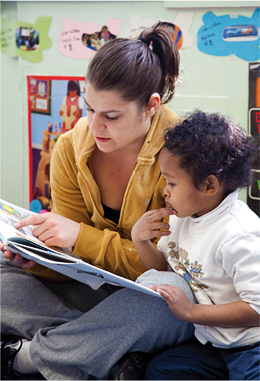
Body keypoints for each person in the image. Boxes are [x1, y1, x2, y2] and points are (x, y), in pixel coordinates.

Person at [0, 22, 195, 380]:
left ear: (151, 106)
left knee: (176, 300)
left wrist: (80, 235)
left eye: (111, 116)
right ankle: (97, 347)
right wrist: (34, 259)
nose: (94, 125)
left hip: (143, 296)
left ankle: (29, 357)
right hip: (92, 298)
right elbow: (68, 261)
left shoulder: (183, 157)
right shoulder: (70, 147)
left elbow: (171, 268)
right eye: (89, 109)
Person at [131, 110, 260, 380]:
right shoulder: (183, 215)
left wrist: (191, 311)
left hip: (252, 346)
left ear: (209, 185)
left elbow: (257, 309)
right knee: (160, 370)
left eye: (171, 182)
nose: (164, 191)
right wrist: (140, 239)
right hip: (215, 342)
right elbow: (166, 267)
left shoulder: (238, 234)